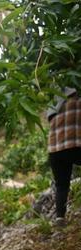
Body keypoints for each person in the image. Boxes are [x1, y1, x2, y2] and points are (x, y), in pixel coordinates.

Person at [47, 87, 81, 227]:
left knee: (61, 184)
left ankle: (60, 217)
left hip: (55, 149)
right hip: (75, 145)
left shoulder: (54, 102)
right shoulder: (77, 98)